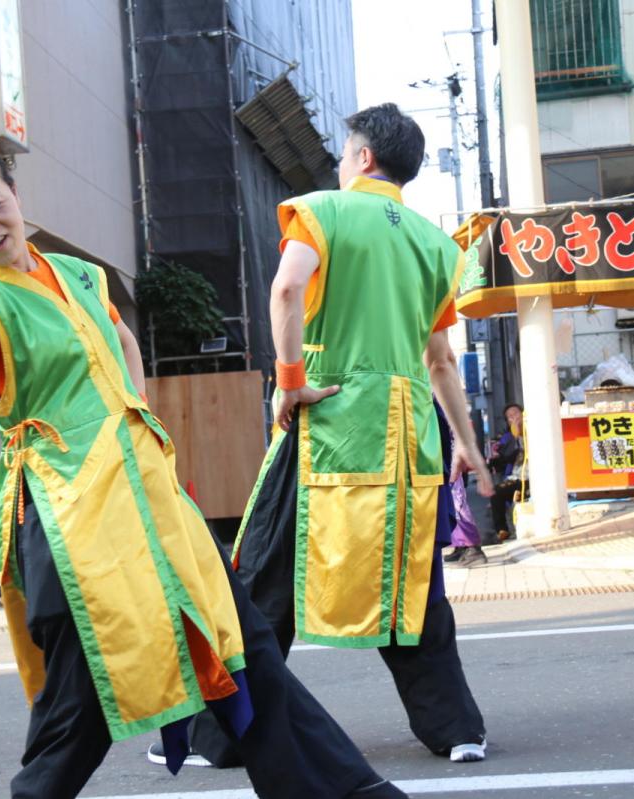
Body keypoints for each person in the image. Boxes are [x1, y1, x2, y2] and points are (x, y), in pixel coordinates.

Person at [0, 141, 405, 799]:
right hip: (72, 521)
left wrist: (136, 415)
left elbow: (121, 336)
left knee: (242, 644)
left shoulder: (79, 276)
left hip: (148, 499)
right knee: (84, 698)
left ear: (15, 195)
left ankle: (348, 789)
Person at [187, 104, 493, 770]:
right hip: (409, 431)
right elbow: (439, 358)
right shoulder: (439, 246)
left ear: (362, 157)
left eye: (343, 152)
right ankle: (457, 728)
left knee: (265, 574)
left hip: (329, 419)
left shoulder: (320, 210)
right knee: (411, 583)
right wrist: (466, 440)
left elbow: (287, 288)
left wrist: (288, 379)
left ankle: (224, 732)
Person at [487, 403, 526, 543]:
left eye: (516, 413)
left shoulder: (533, 428)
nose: (514, 418)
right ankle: (502, 530)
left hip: (530, 478)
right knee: (496, 492)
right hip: (517, 478)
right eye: (510, 417)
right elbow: (507, 455)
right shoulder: (510, 437)